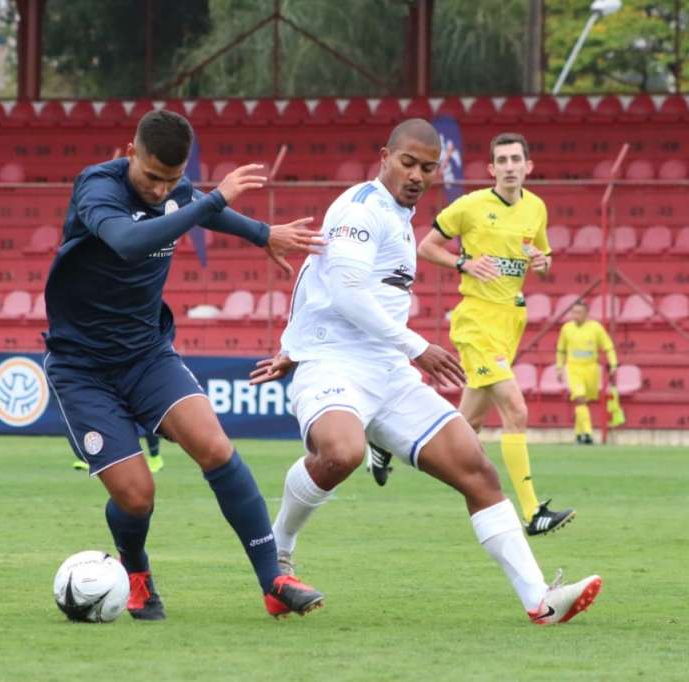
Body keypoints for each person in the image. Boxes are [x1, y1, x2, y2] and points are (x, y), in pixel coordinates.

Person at [250, 119, 601, 625]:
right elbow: (346, 291)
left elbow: (323, 279)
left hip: (387, 372)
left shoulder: (399, 216)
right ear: (384, 156)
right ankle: (278, 556)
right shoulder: (361, 208)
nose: (416, 174)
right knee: (342, 452)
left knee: (477, 470)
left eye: (427, 167)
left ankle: (541, 601)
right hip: (334, 365)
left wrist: (301, 336)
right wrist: (415, 346)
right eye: (407, 162)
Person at [42, 109, 325, 620]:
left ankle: (272, 580)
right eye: (151, 176)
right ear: (130, 151)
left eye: (171, 180)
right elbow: (129, 244)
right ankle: (137, 574)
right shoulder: (97, 189)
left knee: (214, 446)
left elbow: (201, 209)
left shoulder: (178, 191)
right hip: (81, 366)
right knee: (136, 497)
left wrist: (263, 234)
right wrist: (211, 198)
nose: (159, 189)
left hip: (146, 354)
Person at [391, 131, 573, 537]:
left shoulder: (536, 208)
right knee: (516, 410)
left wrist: (544, 262)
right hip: (476, 321)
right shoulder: (471, 206)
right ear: (492, 169)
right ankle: (532, 512)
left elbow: (541, 260)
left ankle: (390, 441)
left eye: (516, 160)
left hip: (510, 322)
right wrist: (463, 263)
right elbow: (426, 246)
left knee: (463, 427)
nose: (509, 167)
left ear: (528, 167)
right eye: (502, 161)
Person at [555, 299, 618, 445]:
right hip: (573, 368)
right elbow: (561, 349)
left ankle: (578, 434)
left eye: (579, 312)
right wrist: (559, 367)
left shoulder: (596, 328)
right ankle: (588, 434)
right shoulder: (566, 328)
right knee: (580, 398)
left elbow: (608, 346)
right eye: (574, 312)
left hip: (591, 370)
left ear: (586, 314)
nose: (575, 315)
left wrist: (613, 363)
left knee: (583, 403)